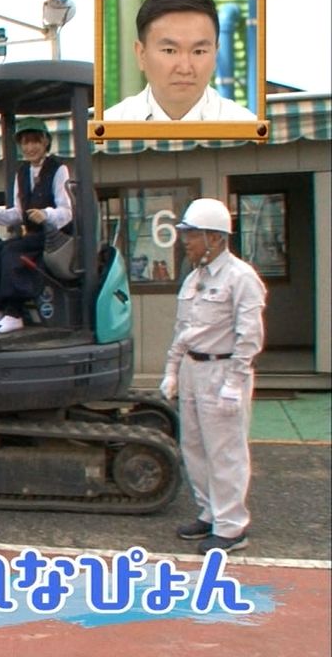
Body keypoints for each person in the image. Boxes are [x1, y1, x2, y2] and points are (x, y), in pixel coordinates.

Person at [160, 197, 267, 554]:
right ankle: (209, 513)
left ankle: (232, 526)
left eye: (192, 235)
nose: (186, 242)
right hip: (193, 369)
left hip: (222, 371)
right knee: (194, 447)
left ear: (216, 238)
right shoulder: (195, 279)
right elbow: (183, 330)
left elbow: (249, 337)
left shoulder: (241, 277)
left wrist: (235, 383)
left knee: (225, 451)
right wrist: (172, 371)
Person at [0, 117, 73, 334]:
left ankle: (14, 312)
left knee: (12, 251)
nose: (30, 147)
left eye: (35, 141)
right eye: (25, 142)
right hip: (33, 237)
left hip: (55, 237)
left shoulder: (58, 169)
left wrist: (46, 215)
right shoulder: (21, 173)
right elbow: (18, 213)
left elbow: (66, 211)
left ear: (45, 142)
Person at [106, 0, 257, 121]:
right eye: (169, 51)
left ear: (216, 54)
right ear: (141, 54)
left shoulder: (246, 128)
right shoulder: (108, 127)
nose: (185, 69)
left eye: (198, 51)